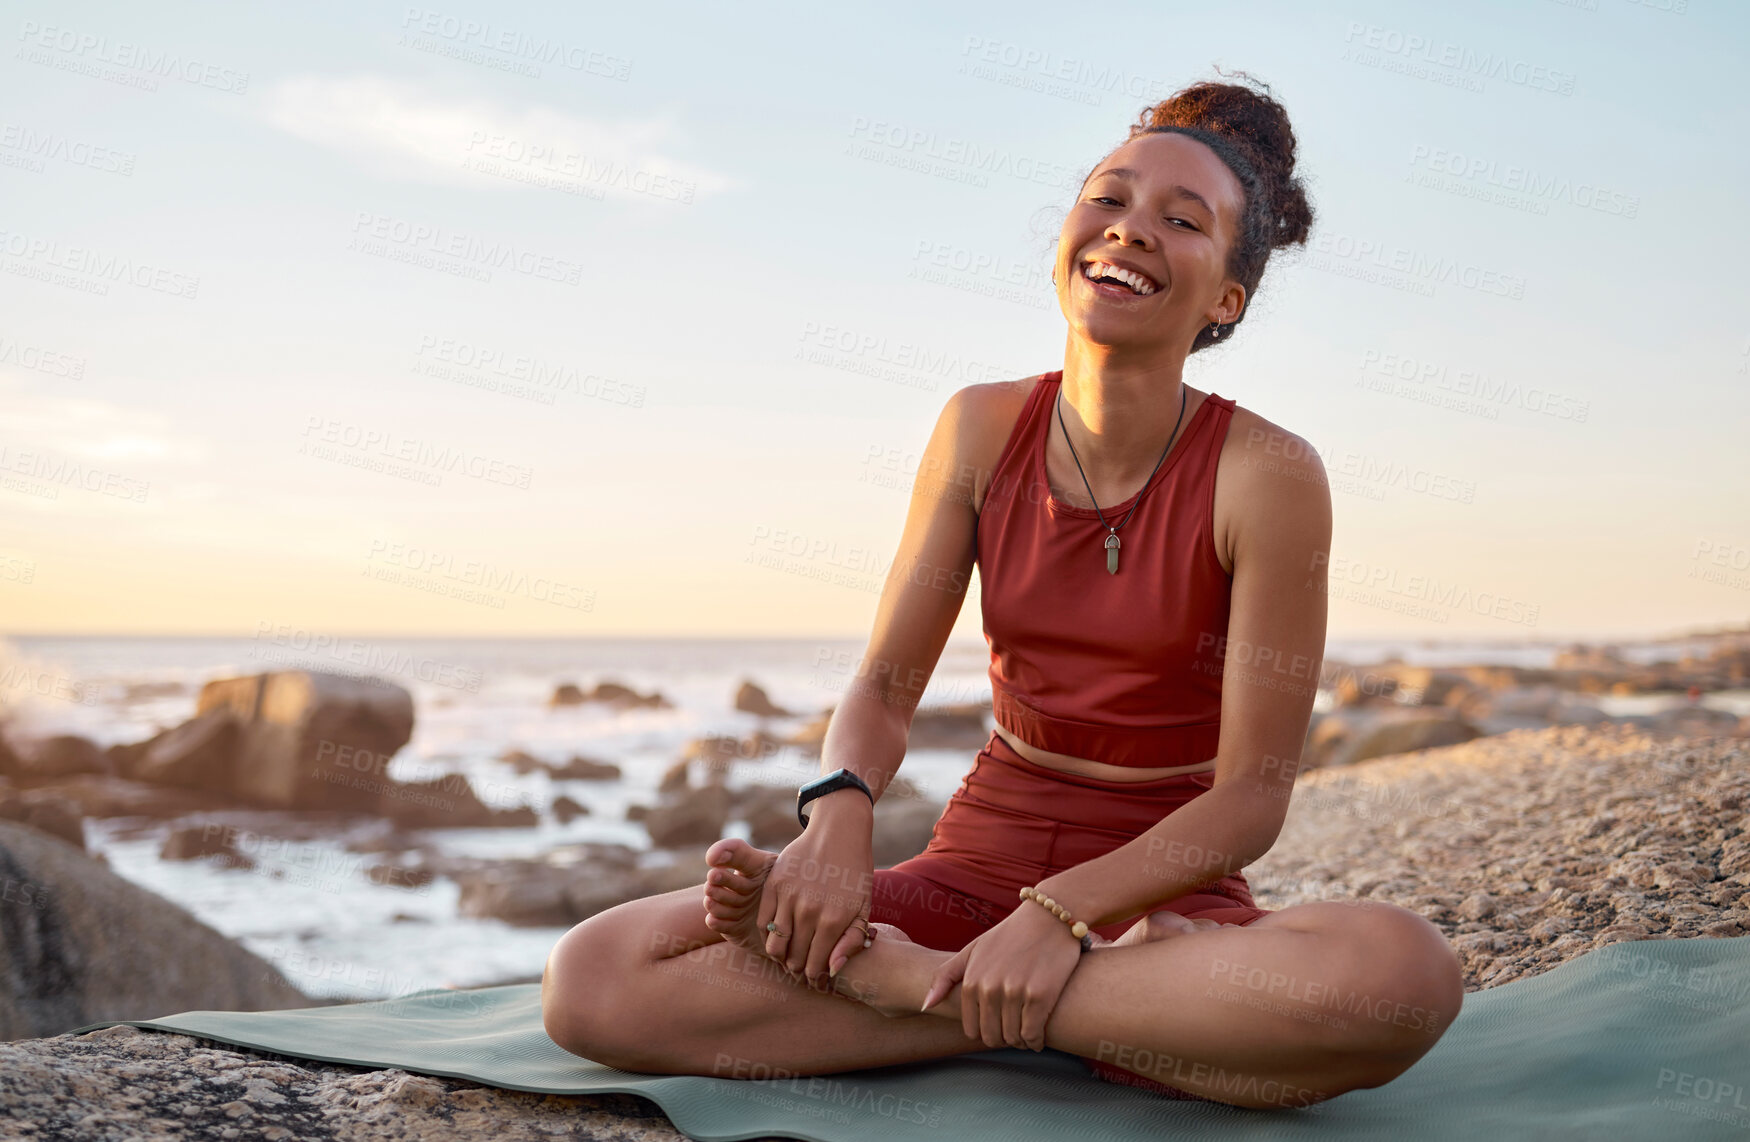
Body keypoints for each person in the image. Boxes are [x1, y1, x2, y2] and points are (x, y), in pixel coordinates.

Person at [542, 71, 1464, 1110]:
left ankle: (914, 993)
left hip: (1157, 887)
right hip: (974, 865)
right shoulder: (981, 428)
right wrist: (837, 823)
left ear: (1225, 299)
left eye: (1181, 219)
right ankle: (1081, 1012)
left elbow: (1250, 799)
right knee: (594, 979)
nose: (1130, 230)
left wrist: (1057, 919)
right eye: (1107, 198)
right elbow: (884, 688)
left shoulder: (1269, 473)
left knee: (1399, 978)